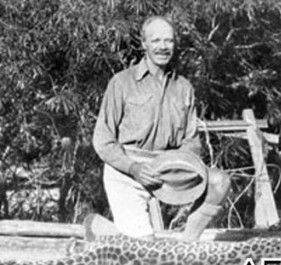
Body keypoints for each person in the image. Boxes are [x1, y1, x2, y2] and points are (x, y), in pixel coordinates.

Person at [93, 16, 231, 241]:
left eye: (168, 41)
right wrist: (133, 168)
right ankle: (101, 229)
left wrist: (180, 165)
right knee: (145, 249)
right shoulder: (121, 83)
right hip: (127, 172)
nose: (163, 47)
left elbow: (191, 139)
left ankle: (188, 242)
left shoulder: (184, 87)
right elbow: (103, 140)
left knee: (219, 181)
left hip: (168, 169)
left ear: (175, 45)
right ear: (144, 43)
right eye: (156, 40)